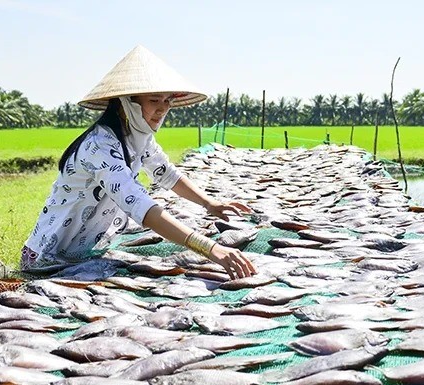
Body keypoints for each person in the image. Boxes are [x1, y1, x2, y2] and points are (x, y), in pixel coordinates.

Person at [21, 45, 257, 280]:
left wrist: (208, 203)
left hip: (83, 251)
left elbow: (167, 174)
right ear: (126, 103)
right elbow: (138, 204)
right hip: (48, 257)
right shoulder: (99, 146)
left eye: (167, 101)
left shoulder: (138, 138)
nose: (163, 109)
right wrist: (211, 249)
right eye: (154, 100)